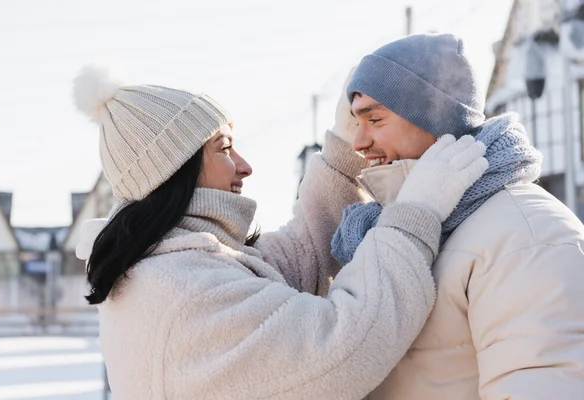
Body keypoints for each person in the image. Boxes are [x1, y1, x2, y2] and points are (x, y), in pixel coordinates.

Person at [71, 64, 486, 399]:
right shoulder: (182, 291)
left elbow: (298, 256)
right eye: (224, 147)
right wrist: (416, 211)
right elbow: (344, 346)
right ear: (174, 170)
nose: (245, 165)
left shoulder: (174, 266)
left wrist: (343, 154)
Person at [332, 33, 584, 399]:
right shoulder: (384, 235)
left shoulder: (527, 233)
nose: (359, 142)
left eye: (375, 119)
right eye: (357, 122)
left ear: (432, 118)